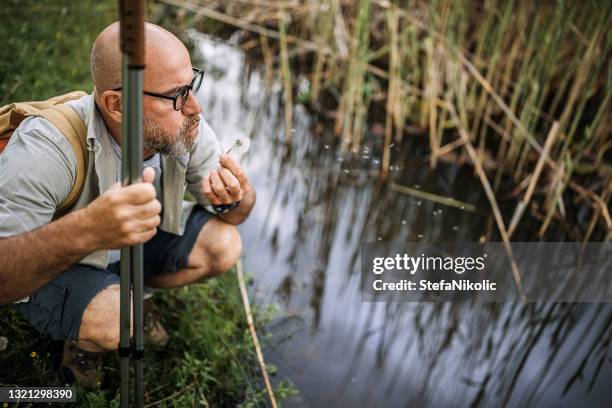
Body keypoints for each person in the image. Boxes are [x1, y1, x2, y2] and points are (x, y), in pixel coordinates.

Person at [0, 21, 255, 388]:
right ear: (117, 105)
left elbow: (238, 215)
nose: (196, 107)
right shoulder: (46, 149)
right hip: (58, 263)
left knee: (223, 244)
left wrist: (236, 197)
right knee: (119, 322)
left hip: (128, 244)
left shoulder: (184, 125)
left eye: (192, 84)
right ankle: (91, 328)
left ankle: (125, 296)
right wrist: (87, 230)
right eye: (178, 94)